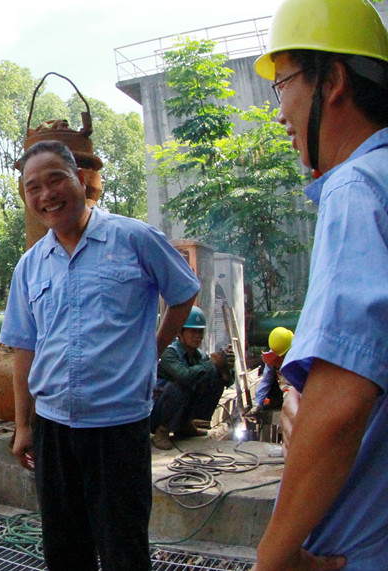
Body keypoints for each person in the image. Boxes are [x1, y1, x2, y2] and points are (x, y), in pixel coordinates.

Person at [0, 140, 200, 571]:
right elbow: (24, 347)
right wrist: (23, 425)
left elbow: (184, 292)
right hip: (53, 427)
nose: (46, 194)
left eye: (55, 179)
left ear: (80, 180)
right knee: (64, 550)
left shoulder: (134, 238)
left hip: (117, 425)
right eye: (33, 187)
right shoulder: (31, 265)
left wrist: (152, 349)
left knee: (123, 548)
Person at [252, 0, 388, 569]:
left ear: (331, 81)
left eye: (282, 83)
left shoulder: (356, 188)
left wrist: (274, 557)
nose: (280, 111)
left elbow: (342, 401)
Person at [150, 306, 234, 451]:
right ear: (180, 332)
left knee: (214, 376)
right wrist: (212, 362)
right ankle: (161, 432)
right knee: (181, 385)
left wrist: (225, 368)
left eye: (200, 331)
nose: (197, 336)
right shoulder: (169, 353)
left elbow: (224, 380)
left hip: (178, 407)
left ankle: (185, 424)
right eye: (193, 331)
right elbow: (185, 376)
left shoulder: (200, 356)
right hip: (156, 412)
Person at [247, 327, 293, 418]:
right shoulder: (274, 355)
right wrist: (257, 404)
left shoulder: (300, 358)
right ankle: (276, 402)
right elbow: (266, 380)